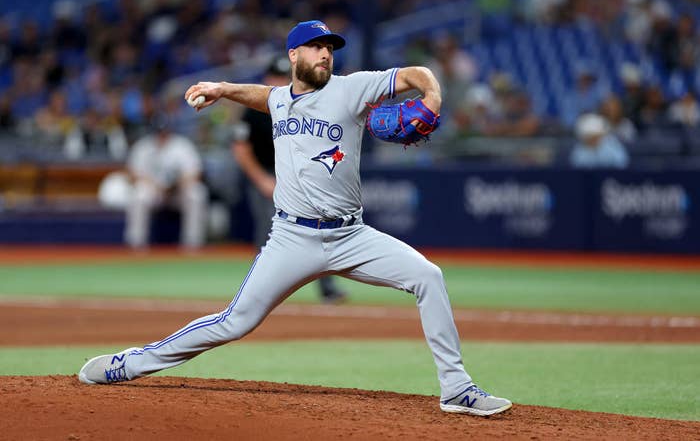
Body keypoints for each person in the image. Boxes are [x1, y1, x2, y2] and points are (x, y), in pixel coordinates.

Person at [79, 20, 512, 417]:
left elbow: (418, 74)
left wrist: (432, 95)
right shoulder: (281, 99)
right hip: (292, 238)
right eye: (315, 47)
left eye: (329, 48)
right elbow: (265, 97)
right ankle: (130, 363)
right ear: (293, 55)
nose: (325, 54)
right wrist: (223, 88)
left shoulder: (351, 88)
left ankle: (456, 388)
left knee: (428, 276)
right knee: (234, 322)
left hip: (351, 235)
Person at [232, 55, 348, 304]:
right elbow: (241, 149)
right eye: (274, 76)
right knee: (268, 234)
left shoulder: (300, 105)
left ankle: (327, 288)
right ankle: (258, 293)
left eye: (283, 77)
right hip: (265, 175)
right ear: (265, 78)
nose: (279, 82)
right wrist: (261, 179)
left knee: (316, 230)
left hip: (297, 178)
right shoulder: (254, 110)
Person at [124, 113, 208, 249]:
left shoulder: (182, 145)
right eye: (158, 131)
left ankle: (193, 244)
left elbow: (195, 173)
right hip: (154, 191)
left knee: (197, 193)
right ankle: (136, 244)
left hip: (178, 191)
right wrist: (155, 185)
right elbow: (133, 174)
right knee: (139, 195)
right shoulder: (144, 146)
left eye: (164, 131)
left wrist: (177, 184)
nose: (161, 135)